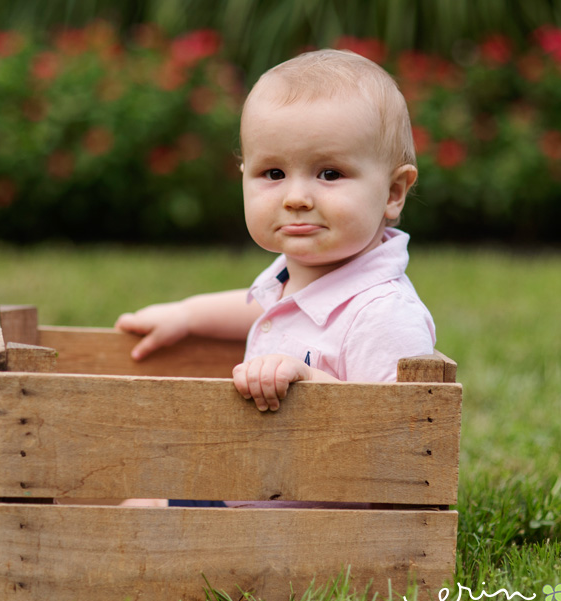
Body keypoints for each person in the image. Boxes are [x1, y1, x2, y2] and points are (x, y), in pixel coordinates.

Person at [116, 49, 436, 508]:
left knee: (139, 516)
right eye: (273, 173)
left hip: (314, 530)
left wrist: (307, 380)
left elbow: (402, 435)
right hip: (250, 496)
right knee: (135, 500)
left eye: (329, 173)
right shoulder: (294, 274)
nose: (297, 197)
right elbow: (262, 308)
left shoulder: (381, 314)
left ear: (392, 192)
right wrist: (186, 316)